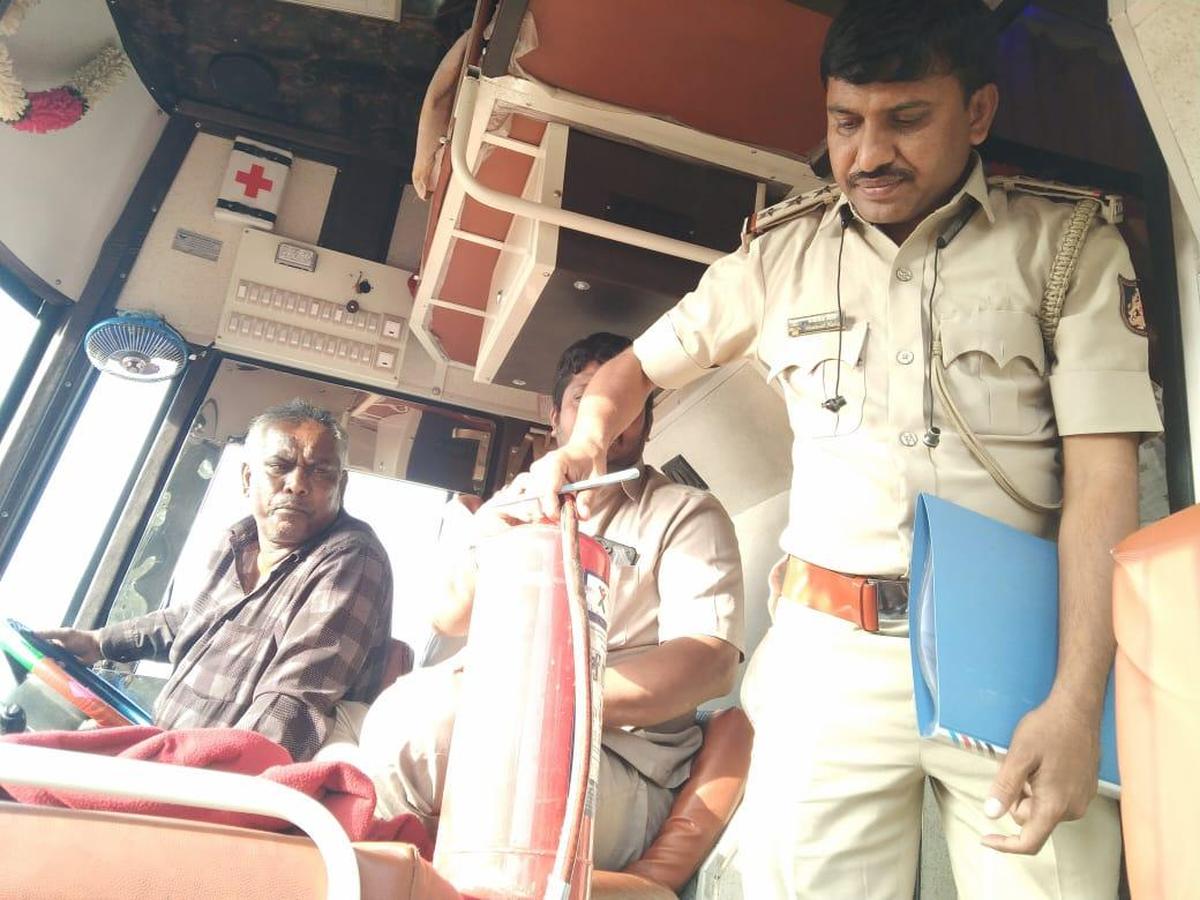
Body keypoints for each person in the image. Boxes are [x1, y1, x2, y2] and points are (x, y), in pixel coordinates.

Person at [520, 2, 1161, 897]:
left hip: (1013, 656)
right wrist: (587, 440)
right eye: (845, 122)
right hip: (828, 652)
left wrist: (1077, 696)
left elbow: (1104, 480)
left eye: (907, 119)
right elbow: (629, 371)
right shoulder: (779, 259)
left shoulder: (1063, 249)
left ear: (977, 113)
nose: (868, 155)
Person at [339, 332, 745, 871]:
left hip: (616, 764)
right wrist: (492, 540)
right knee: (397, 719)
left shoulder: (684, 513)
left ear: (645, 419)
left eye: (627, 402)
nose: (612, 415)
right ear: (554, 415)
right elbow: (446, 613)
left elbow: (710, 662)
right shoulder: (516, 500)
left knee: (454, 742)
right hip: (496, 724)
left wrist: (552, 698)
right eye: (584, 396)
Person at [42, 399, 394, 762]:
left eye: (320, 472)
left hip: (215, 782)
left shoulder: (352, 558)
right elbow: (192, 620)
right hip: (164, 749)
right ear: (247, 478)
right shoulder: (236, 542)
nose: (297, 485)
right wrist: (98, 642)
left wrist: (201, 779)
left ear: (341, 484)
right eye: (280, 466)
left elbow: (296, 701)